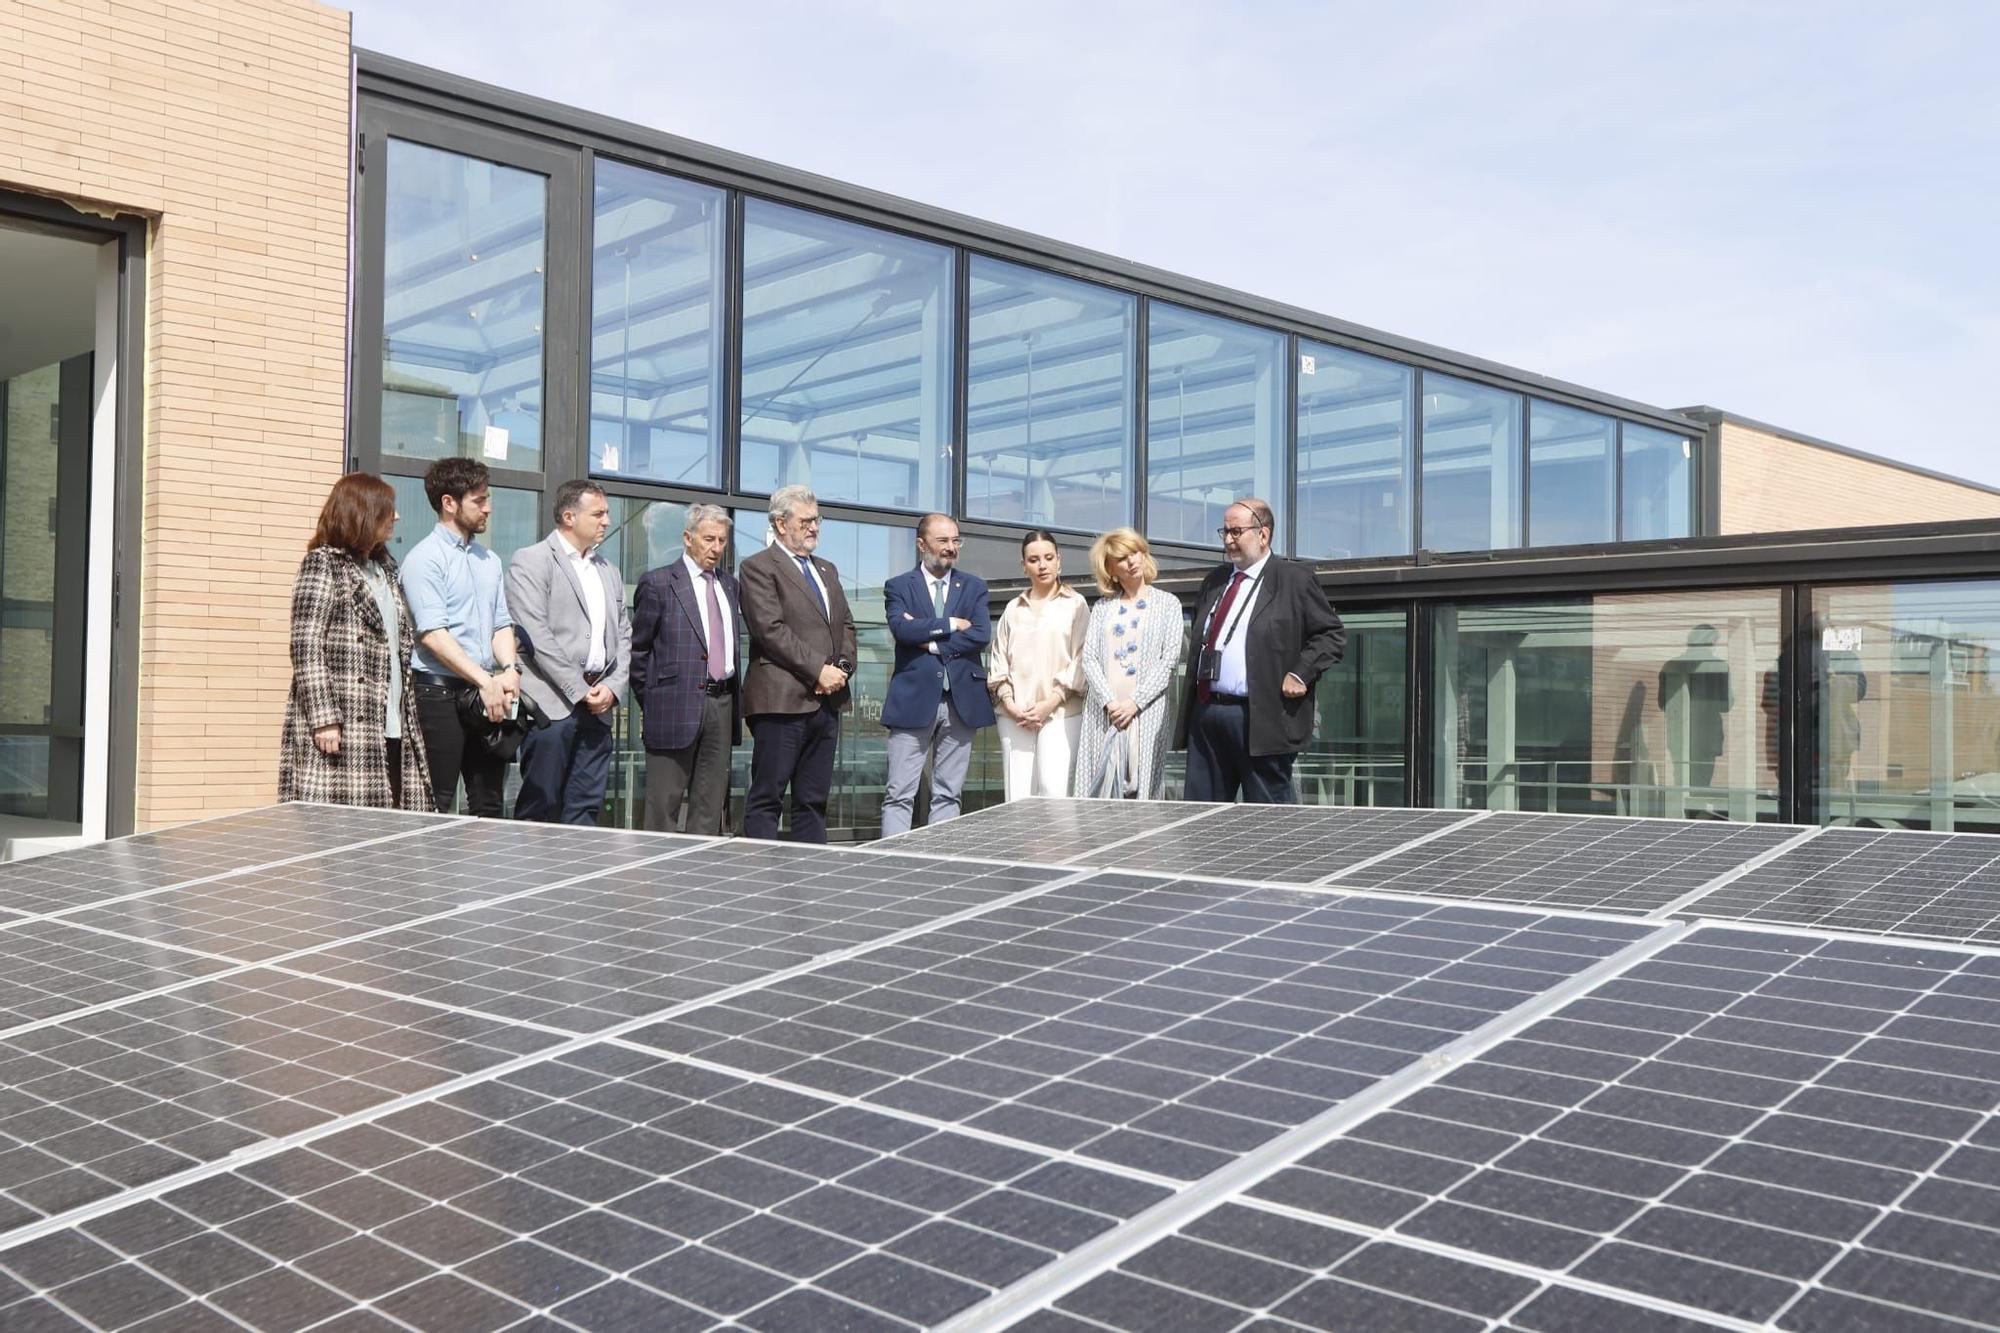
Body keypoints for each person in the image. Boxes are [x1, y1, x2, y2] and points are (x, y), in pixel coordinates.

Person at [279, 473, 434, 811]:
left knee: (390, 826)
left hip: (391, 720)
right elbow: (306, 646)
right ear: (363, 513)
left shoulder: (385, 569)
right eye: (386, 510)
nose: (396, 516)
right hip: (344, 724)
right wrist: (324, 719)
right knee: (344, 831)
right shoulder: (323, 565)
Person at [1176, 497, 1345, 804]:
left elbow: (1331, 634)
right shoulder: (1214, 581)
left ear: (1263, 534)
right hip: (1208, 715)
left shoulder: (1293, 579)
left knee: (1269, 824)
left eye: (1236, 532)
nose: (1228, 540)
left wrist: (1300, 673)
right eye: (1224, 532)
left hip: (1262, 718)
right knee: (1200, 818)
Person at [400, 457, 521, 816]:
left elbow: (501, 624)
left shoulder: (490, 560)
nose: (488, 508)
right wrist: (487, 680)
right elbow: (434, 636)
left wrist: (510, 668)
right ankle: (428, 874)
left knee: (488, 801)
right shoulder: (425, 559)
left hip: (484, 692)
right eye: (479, 501)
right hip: (438, 693)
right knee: (435, 800)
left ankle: (479, 874)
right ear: (448, 503)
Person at [506, 481, 630, 825]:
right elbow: (535, 635)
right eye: (599, 513)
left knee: (585, 810)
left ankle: (580, 879)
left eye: (606, 513)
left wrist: (614, 688)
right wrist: (580, 689)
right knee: (539, 807)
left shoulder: (609, 571)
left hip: (598, 708)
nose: (607, 520)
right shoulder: (531, 561)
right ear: (568, 516)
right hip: (553, 706)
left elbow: (624, 635)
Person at [738, 485, 857, 843]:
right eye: (805, 521)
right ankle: (761, 880)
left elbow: (847, 626)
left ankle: (811, 877)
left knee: (813, 799)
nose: (814, 527)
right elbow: (770, 630)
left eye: (817, 519)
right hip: (782, 702)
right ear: (779, 523)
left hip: (827, 701)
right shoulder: (758, 567)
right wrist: (817, 669)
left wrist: (842, 670)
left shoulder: (827, 569)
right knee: (767, 797)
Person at [630, 503, 742, 835]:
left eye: (722, 541)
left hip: (721, 704)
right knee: (663, 807)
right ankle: (656, 881)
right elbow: (638, 653)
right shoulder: (659, 583)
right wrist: (653, 702)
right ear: (687, 537)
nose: (716, 548)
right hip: (672, 708)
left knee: (709, 806)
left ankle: (698, 879)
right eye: (709, 539)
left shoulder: (730, 586)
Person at [880, 514, 995, 836]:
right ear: (921, 544)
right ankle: (893, 860)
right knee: (899, 793)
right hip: (912, 701)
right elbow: (901, 629)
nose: (951, 547)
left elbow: (981, 634)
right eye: (943, 540)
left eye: (956, 540)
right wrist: (950, 625)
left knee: (948, 792)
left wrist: (929, 643)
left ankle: (940, 861)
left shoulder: (974, 586)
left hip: (962, 702)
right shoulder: (899, 586)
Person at [1074, 528, 1182, 800]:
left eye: (1135, 552)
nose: (1132, 561)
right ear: (1111, 569)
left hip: (1146, 711)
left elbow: (1168, 660)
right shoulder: (1102, 607)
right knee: (1101, 790)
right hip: (1104, 713)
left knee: (1143, 789)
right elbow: (1089, 658)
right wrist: (1110, 703)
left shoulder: (1169, 604)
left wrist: (1135, 702)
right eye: (1122, 558)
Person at [988, 529, 1088, 801]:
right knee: (1017, 796)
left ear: (1059, 560)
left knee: (1053, 792)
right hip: (1014, 715)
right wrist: (1010, 704)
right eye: (1033, 560)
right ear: (1023, 565)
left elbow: (1081, 660)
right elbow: (998, 662)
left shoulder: (1076, 605)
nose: (1042, 565)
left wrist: (1048, 704)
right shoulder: (1012, 608)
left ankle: (1061, 846)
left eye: (1048, 557)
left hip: (1062, 712)